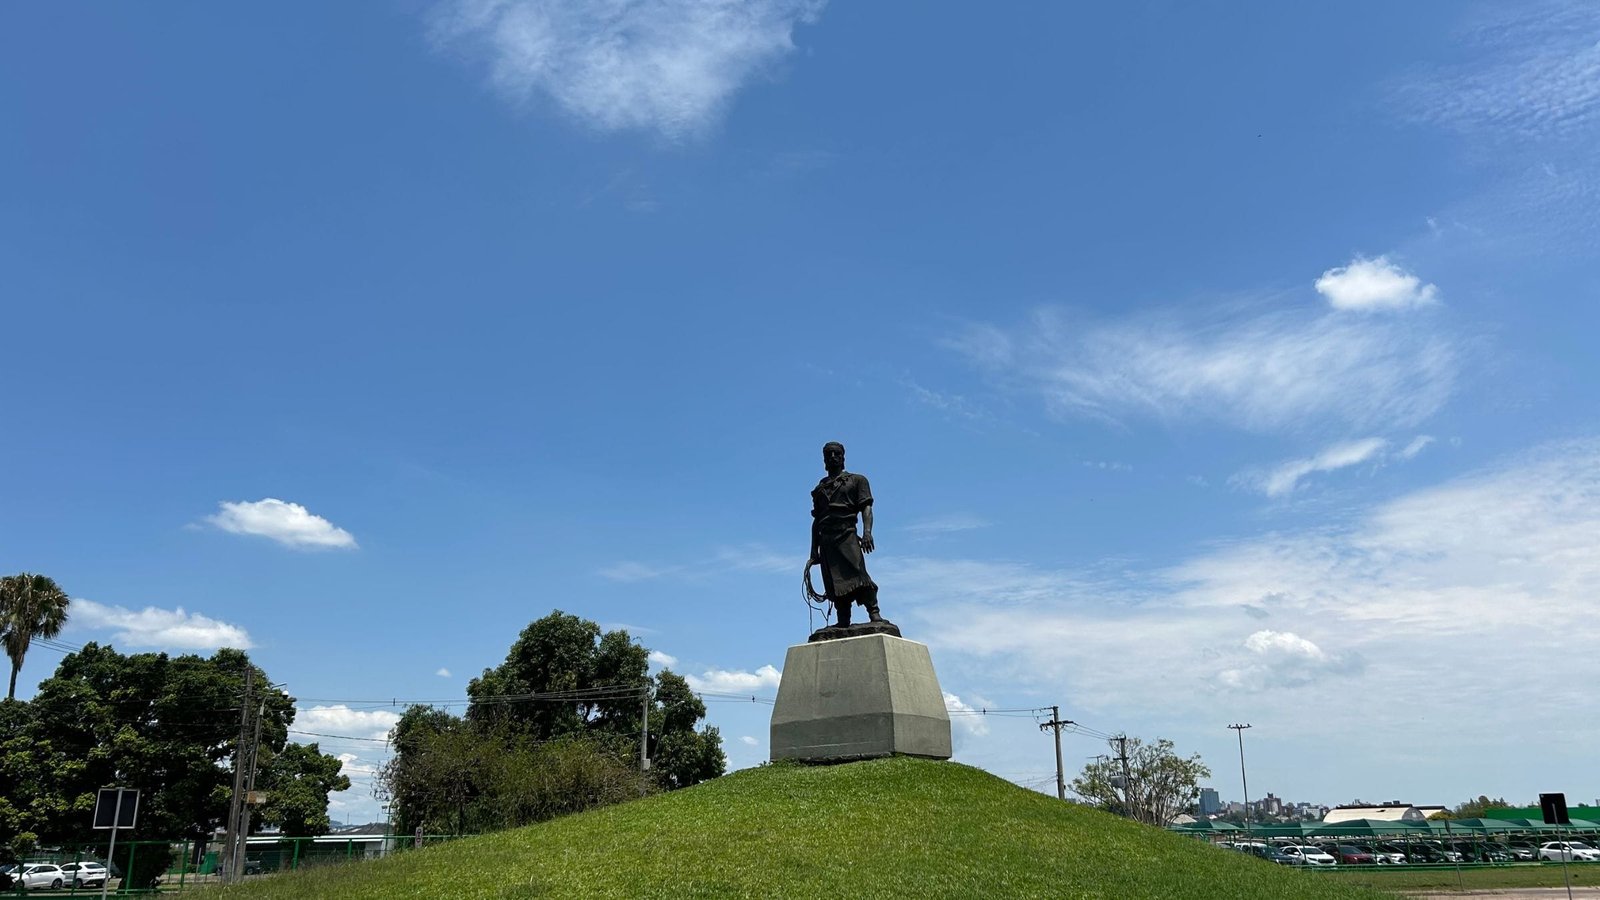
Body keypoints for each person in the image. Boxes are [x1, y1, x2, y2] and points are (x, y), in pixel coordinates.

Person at [809, 442, 883, 626]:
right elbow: (817, 520)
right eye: (829, 454)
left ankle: (874, 613)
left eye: (836, 453)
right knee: (835, 582)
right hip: (827, 541)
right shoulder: (820, 489)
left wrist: (867, 532)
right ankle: (843, 620)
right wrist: (813, 550)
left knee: (860, 575)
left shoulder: (857, 480)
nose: (833, 457)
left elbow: (866, 507)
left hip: (847, 535)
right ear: (824, 460)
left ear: (843, 457)